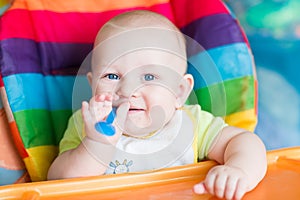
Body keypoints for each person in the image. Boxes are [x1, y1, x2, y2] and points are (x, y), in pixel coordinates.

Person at [47, 10, 267, 200]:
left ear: (179, 92)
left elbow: (244, 141)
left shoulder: (192, 124)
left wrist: (239, 171)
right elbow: (58, 181)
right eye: (112, 76)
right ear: (92, 84)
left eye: (149, 77)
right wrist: (96, 145)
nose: (127, 90)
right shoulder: (89, 124)